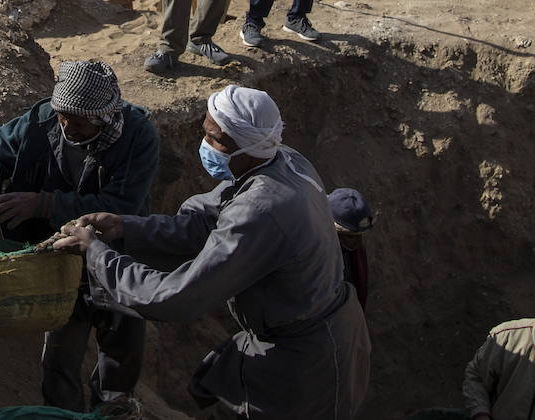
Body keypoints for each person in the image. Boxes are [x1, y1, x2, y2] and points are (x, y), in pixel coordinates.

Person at [56, 85, 371, 419]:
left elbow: (175, 297)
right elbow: (203, 223)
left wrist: (97, 255)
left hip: (305, 363)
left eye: (216, 139)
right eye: (205, 133)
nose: (206, 146)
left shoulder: (262, 210)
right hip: (319, 332)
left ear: (249, 146)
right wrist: (125, 227)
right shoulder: (281, 159)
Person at [0, 61, 160, 413]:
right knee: (60, 357)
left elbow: (121, 206)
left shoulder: (138, 136)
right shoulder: (41, 122)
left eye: (78, 122)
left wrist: (45, 204)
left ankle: (112, 410)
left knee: (121, 352)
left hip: (116, 259)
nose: (68, 128)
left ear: (103, 118)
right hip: (57, 260)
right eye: (63, 118)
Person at [328, 187, 374, 310]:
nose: (357, 243)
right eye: (349, 237)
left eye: (359, 236)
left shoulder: (354, 254)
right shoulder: (313, 253)